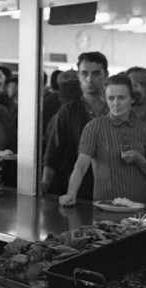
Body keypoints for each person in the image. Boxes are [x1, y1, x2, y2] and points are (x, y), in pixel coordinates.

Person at [59, 73, 146, 209]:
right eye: (111, 98)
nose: (116, 103)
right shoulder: (94, 127)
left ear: (132, 99)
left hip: (140, 211)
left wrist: (139, 160)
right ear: (105, 99)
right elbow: (81, 166)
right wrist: (71, 194)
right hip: (105, 210)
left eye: (122, 98)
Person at [42, 51, 109, 198]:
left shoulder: (115, 108)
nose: (90, 79)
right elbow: (54, 152)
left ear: (106, 75)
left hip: (115, 189)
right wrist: (45, 183)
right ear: (78, 76)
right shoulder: (69, 110)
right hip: (79, 190)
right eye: (84, 73)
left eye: (96, 73)